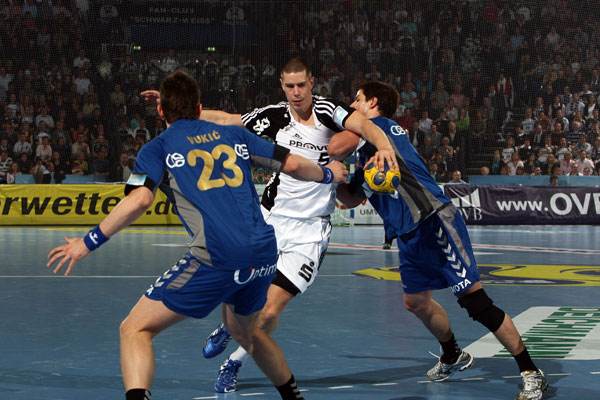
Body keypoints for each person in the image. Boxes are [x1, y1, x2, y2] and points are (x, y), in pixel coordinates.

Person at [46, 70, 351, 400]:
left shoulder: (157, 148)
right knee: (248, 333)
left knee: (134, 329)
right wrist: (327, 174)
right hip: (263, 252)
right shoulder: (233, 135)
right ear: (199, 107)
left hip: (217, 256)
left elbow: (140, 200)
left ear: (160, 111)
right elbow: (291, 165)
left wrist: (87, 242)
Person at [142, 58, 396, 393]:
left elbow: (365, 125)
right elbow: (226, 119)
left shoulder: (329, 111)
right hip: (270, 222)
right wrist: (177, 107)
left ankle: (234, 362)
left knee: (270, 311)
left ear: (312, 83)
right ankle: (232, 326)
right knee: (247, 301)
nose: (296, 92)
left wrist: (385, 148)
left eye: (301, 85)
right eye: (289, 86)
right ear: (282, 85)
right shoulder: (273, 116)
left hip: (310, 233)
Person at [329, 81, 549, 400]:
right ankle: (452, 354)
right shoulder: (365, 152)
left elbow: (335, 146)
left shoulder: (381, 127)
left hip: (434, 220)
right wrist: (331, 177)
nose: (351, 105)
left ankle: (531, 372)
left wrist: (311, 149)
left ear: (372, 103)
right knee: (415, 302)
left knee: (475, 302)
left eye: (357, 99)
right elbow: (351, 198)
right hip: (408, 234)